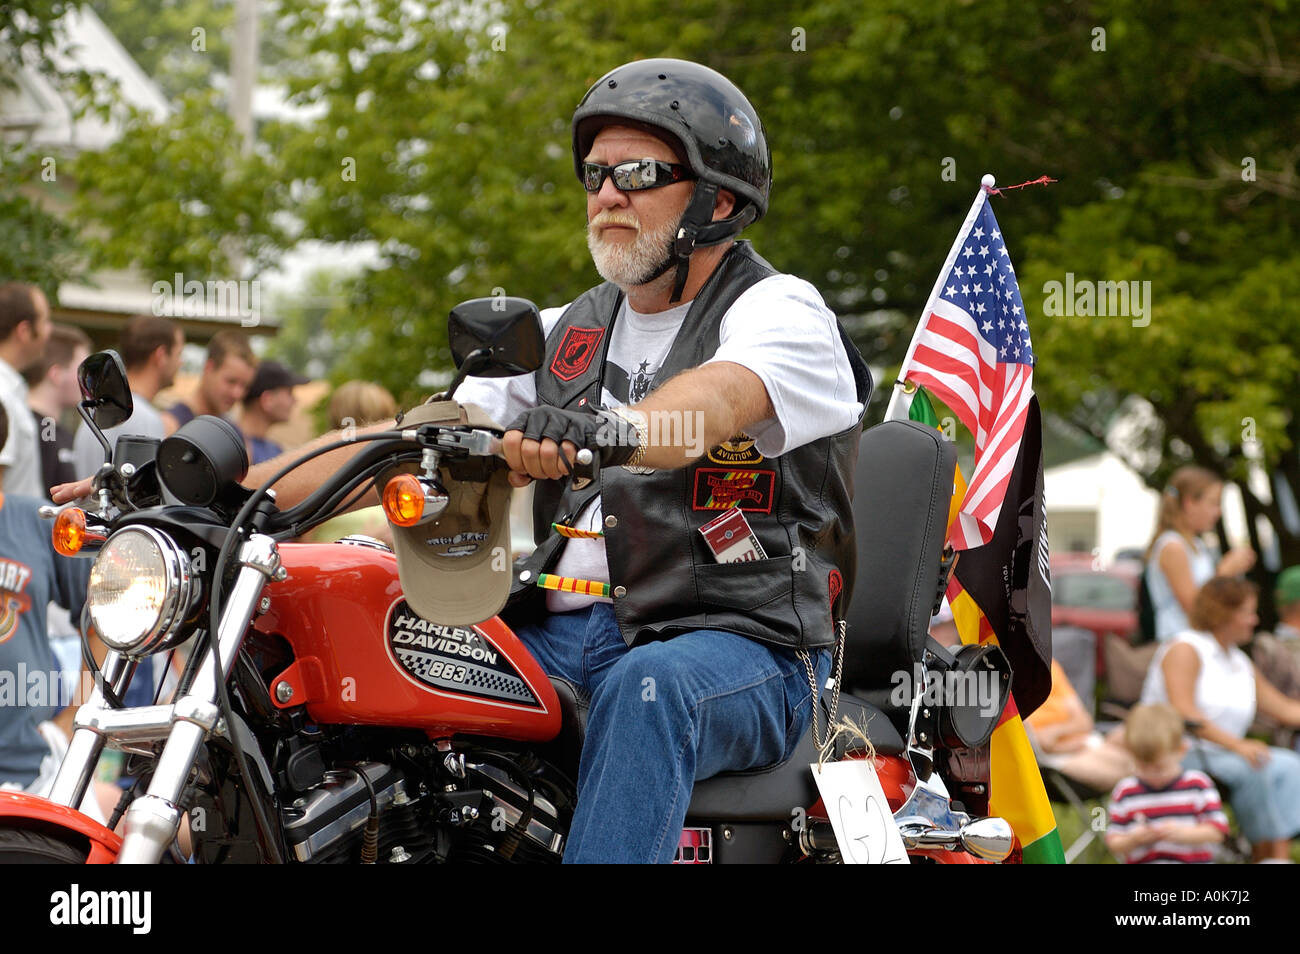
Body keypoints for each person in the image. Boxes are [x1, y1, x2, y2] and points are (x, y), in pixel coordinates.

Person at [151, 58, 870, 864]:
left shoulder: (780, 312)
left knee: (652, 689)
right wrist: (223, 487)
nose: (606, 196)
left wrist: (605, 430)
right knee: (367, 638)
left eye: (636, 173)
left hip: (746, 645)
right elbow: (405, 440)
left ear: (719, 197)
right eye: (595, 175)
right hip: (558, 631)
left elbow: (717, 403)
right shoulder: (561, 333)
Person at [1140, 576, 1300, 860]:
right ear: (1223, 613)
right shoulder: (1185, 648)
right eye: (1247, 612)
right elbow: (1184, 713)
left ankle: (1276, 853)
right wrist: (1238, 746)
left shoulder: (1238, 660)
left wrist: (1238, 749)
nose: (1255, 619)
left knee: (1290, 766)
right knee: (1254, 768)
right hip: (1177, 752)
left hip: (1225, 752)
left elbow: (1284, 709)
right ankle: (1266, 857)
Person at [1105, 703, 1228, 863]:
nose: (1151, 774)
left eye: (1159, 768)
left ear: (1181, 750)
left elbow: (1217, 832)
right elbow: (1114, 842)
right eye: (1142, 766)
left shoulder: (1198, 785)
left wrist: (1182, 834)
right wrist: (1134, 839)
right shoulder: (1125, 791)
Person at [1143, 465, 1255, 641]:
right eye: (1213, 503)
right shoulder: (1173, 546)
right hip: (1180, 643)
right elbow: (1195, 608)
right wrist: (1224, 572)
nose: (1218, 512)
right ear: (1189, 503)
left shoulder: (1196, 545)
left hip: (1200, 642)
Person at [71, 315, 184, 481]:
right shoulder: (142, 417)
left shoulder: (97, 410)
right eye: (179, 354)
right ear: (160, 355)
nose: (180, 363)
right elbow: (145, 496)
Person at [1026, 659, 1135, 791]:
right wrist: (1068, 744)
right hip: (1052, 760)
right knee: (1130, 771)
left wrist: (1057, 732)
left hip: (1083, 743)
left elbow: (1084, 721)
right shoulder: (1008, 677)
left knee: (1135, 761)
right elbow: (1041, 744)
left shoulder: (1047, 665)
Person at [24, 323, 92, 495]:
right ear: (56, 374)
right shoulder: (29, 426)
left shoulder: (57, 430)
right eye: (82, 370)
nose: (88, 380)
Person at [0, 282, 53, 498]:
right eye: (46, 320)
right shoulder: (3, 394)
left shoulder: (12, 389)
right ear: (24, 331)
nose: (50, 330)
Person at [160, 329, 256, 435]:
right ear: (208, 367)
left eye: (245, 386)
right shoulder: (171, 425)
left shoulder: (234, 433)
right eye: (231, 381)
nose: (237, 393)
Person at [239, 360, 309, 465]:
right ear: (267, 400)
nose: (295, 401)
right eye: (289, 393)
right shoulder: (238, 453)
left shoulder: (275, 449)